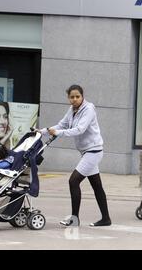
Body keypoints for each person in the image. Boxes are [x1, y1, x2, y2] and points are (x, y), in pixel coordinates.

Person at [39, 85, 111, 227]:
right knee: (97, 186)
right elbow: (61, 125)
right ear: (68, 98)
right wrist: (41, 131)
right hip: (86, 152)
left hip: (93, 151)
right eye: (72, 97)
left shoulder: (89, 109)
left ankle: (75, 219)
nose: (75, 99)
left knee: (73, 181)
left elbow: (80, 129)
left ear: (82, 96)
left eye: (77, 96)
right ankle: (106, 219)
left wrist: (58, 133)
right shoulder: (72, 110)